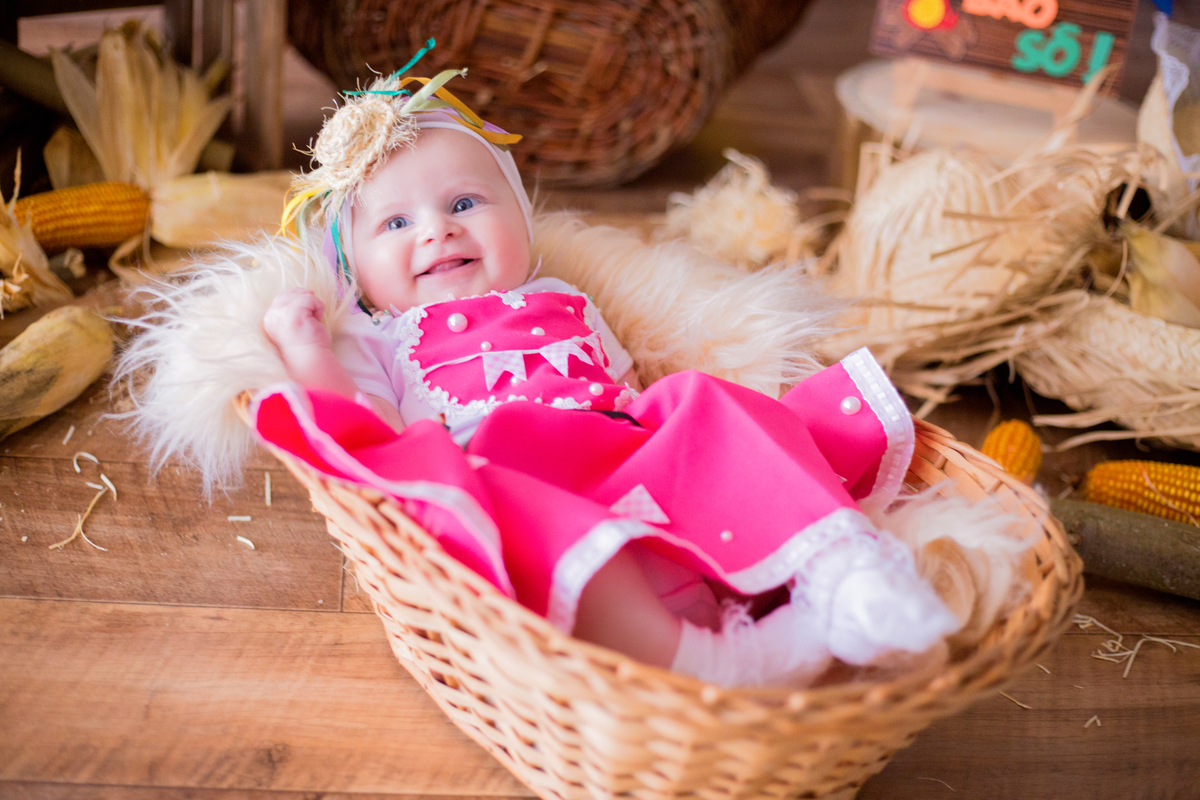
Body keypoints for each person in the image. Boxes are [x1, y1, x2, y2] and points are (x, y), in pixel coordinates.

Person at [255, 65, 959, 688]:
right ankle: (716, 663)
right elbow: (357, 429)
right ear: (359, 279)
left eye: (465, 203)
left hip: (626, 452)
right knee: (519, 512)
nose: (436, 230)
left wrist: (681, 439)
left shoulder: (566, 294)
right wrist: (306, 341)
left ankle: (843, 569)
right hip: (522, 482)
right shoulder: (382, 339)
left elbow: (629, 390)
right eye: (396, 223)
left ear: (523, 223)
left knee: (703, 400)